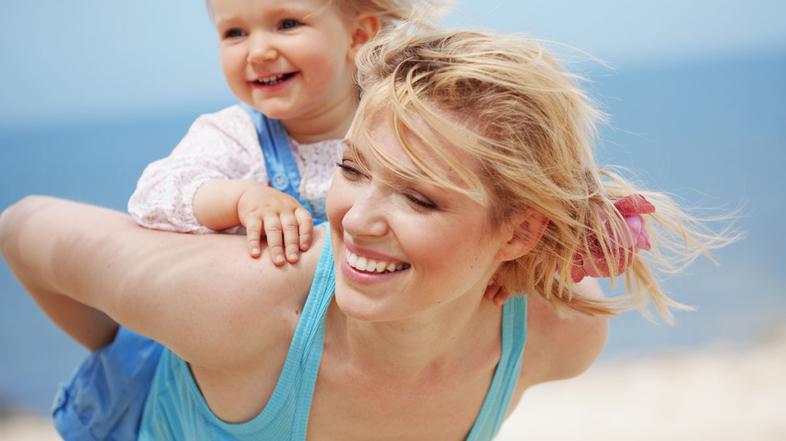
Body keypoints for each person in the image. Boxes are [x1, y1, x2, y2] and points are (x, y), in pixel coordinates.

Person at [0, 25, 729, 440]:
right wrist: (119, 345)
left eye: (419, 197)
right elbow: (23, 225)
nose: (358, 218)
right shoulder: (239, 306)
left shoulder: (555, 332)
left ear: (519, 234)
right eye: (352, 167)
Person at [47, 1, 445, 439]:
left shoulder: (398, 128)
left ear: (358, 35)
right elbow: (153, 195)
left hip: (341, 369)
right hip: (229, 380)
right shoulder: (237, 137)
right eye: (234, 33)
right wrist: (239, 198)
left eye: (286, 24)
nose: (257, 51)